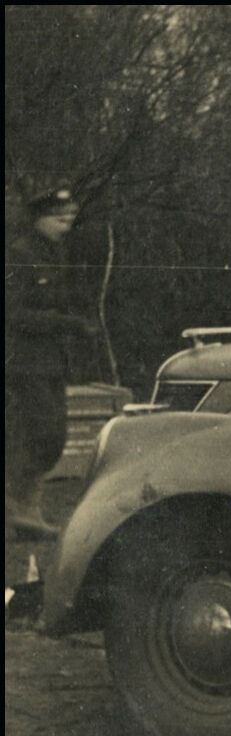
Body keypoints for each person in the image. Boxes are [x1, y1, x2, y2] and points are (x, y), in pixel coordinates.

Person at [5, 187, 92, 541]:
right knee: (42, 434)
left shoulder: (57, 255)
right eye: (59, 218)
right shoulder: (19, 256)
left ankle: (24, 512)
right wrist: (67, 323)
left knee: (51, 437)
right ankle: (19, 506)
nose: (66, 224)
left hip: (51, 362)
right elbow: (13, 314)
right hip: (23, 362)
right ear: (39, 219)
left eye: (70, 217)